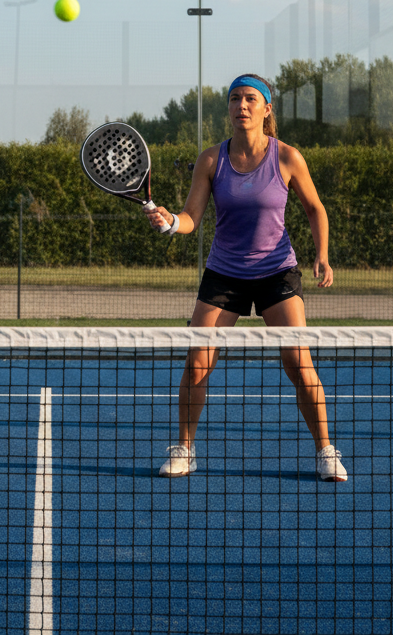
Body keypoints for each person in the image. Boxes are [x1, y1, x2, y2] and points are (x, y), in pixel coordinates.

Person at [146, 74, 347, 482]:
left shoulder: (288, 157)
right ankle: (185, 448)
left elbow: (315, 209)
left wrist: (322, 255)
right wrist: (169, 222)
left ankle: (326, 452)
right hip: (225, 273)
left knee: (298, 361)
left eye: (250, 99)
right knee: (198, 362)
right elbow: (191, 218)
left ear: (267, 109)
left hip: (277, 271)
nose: (242, 105)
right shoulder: (211, 160)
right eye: (235, 98)